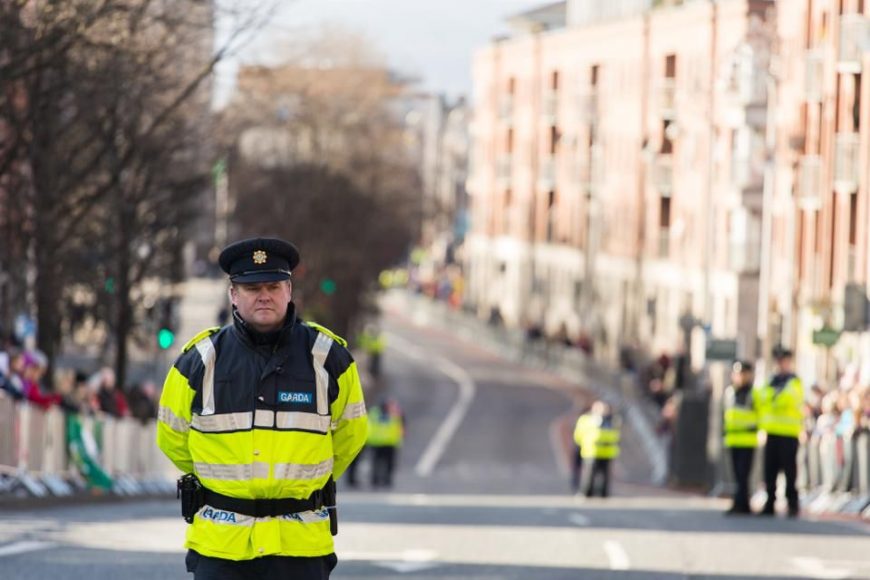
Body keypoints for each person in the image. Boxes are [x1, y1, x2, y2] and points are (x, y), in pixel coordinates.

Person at [157, 237, 368, 580]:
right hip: (221, 545)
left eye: (273, 285)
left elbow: (351, 434)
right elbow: (171, 436)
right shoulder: (199, 360)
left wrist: (304, 477)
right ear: (233, 295)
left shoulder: (330, 358)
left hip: (299, 546)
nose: (264, 295)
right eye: (252, 287)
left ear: (289, 290)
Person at [755, 347, 803, 517]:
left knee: (790, 471)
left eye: (784, 361)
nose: (781, 364)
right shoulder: (770, 380)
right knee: (770, 470)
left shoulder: (794, 381)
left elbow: (788, 399)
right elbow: (761, 397)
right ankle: (770, 503)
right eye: (779, 361)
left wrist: (773, 397)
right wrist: (775, 397)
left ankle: (792, 503)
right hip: (771, 432)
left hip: (789, 433)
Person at [722, 360, 758, 515]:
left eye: (743, 374)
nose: (740, 377)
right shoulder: (729, 392)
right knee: (736, 474)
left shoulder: (753, 393)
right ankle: (739, 502)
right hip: (732, 439)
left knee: (743, 474)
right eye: (737, 374)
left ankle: (743, 504)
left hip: (747, 439)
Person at [574, 400, 620, 497]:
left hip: (607, 452)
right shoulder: (586, 419)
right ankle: (586, 493)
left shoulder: (612, 421)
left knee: (604, 476)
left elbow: (616, 435)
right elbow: (579, 435)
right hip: (591, 451)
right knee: (589, 475)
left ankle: (603, 494)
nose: (603, 410)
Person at [365, 397, 404, 488]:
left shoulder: (395, 412)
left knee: (388, 463)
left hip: (389, 442)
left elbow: (401, 425)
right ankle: (376, 480)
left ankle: (386, 480)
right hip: (377, 442)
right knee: (377, 462)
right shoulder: (376, 413)